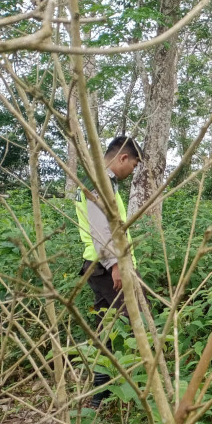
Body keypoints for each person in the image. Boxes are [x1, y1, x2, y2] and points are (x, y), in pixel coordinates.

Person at [74, 136, 144, 408]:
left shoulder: (105, 182)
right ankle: (129, 392)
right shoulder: (98, 182)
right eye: (134, 164)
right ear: (123, 157)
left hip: (103, 266)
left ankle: (100, 395)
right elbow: (101, 229)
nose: (133, 171)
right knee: (132, 320)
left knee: (108, 326)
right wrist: (115, 264)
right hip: (106, 269)